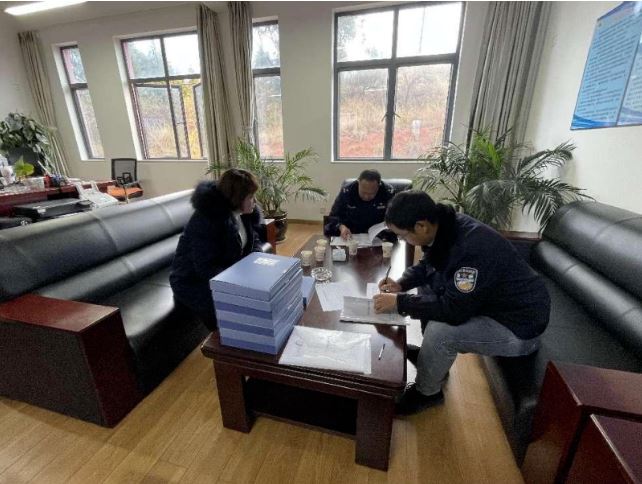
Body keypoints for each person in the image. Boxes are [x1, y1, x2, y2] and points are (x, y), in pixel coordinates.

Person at [373, 190, 550, 415]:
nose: (402, 241)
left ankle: (427, 393)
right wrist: (401, 284)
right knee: (428, 288)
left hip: (518, 326)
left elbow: (454, 310)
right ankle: (432, 358)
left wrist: (400, 303)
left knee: (441, 332)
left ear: (421, 226)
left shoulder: (472, 249)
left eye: (403, 236)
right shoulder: (446, 227)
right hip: (494, 306)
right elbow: (429, 265)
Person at [170, 169, 265, 330]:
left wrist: (256, 262)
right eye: (250, 197)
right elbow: (205, 268)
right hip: (193, 282)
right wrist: (239, 280)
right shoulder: (206, 220)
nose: (255, 201)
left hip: (225, 273)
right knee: (234, 318)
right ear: (237, 198)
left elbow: (253, 240)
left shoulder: (244, 214)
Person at [324, 169, 395, 239]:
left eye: (371, 193)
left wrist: (391, 226)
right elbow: (334, 215)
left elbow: (395, 217)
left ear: (378, 186)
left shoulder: (388, 192)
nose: (366, 197)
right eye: (363, 192)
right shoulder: (347, 192)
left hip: (379, 234)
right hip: (351, 232)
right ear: (358, 183)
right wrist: (341, 227)